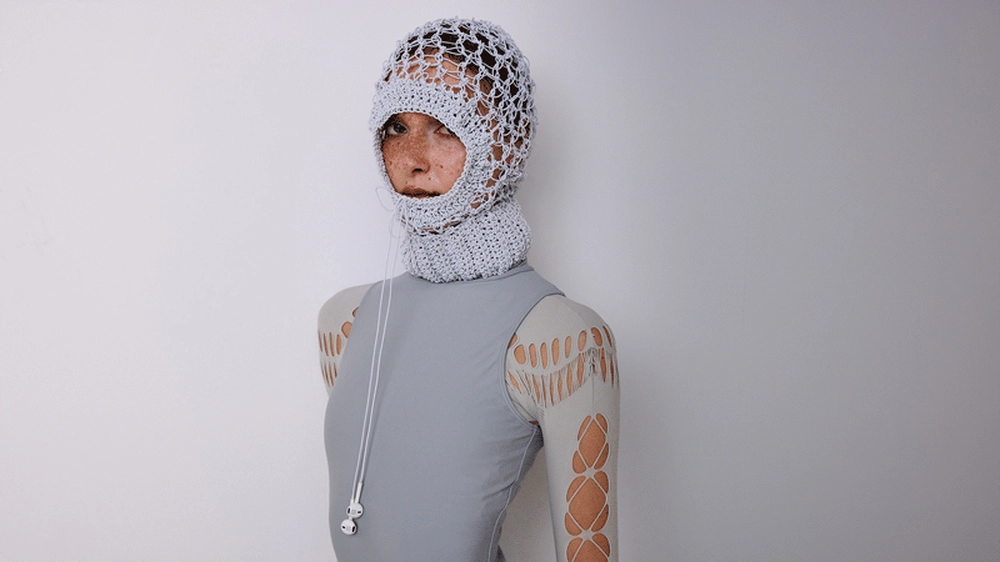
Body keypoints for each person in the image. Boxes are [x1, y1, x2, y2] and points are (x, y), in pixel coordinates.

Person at [317, 18, 619, 562]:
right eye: (396, 127)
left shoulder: (564, 337)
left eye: (446, 127)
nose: (412, 159)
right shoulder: (346, 320)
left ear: (507, 142)